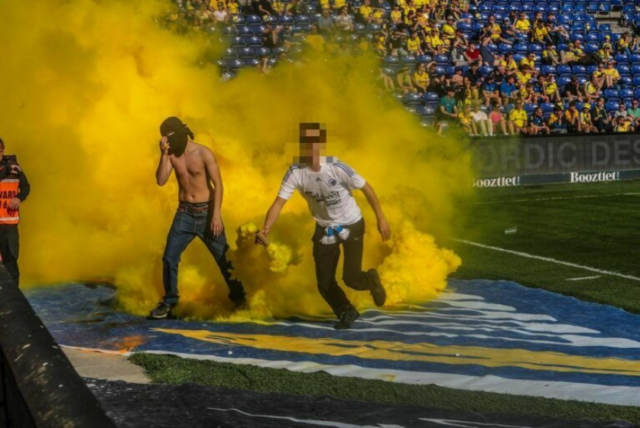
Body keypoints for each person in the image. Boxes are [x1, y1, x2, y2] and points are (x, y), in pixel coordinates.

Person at [260, 123, 390, 330]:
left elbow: (366, 188)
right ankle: (347, 311)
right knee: (324, 283)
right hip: (324, 228)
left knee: (351, 278)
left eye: (314, 143)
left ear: (321, 145)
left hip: (351, 224)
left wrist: (381, 218)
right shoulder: (295, 172)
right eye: (306, 143)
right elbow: (278, 203)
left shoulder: (336, 166)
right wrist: (266, 227)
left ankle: (371, 280)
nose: (311, 148)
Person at [151, 117, 246, 319]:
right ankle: (169, 301)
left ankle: (239, 298)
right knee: (169, 257)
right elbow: (160, 180)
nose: (165, 142)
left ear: (179, 134)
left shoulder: (203, 153)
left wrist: (216, 216)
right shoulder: (171, 154)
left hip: (207, 212)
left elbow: (218, 185)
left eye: (167, 138)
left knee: (224, 258)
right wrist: (163, 155)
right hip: (184, 213)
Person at [0, 138, 30, 286]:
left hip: (10, 222)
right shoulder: (8, 169)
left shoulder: (15, 167)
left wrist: (19, 197)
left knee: (11, 259)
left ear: (3, 150)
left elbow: (26, 187)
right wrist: (5, 171)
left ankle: (13, 295)